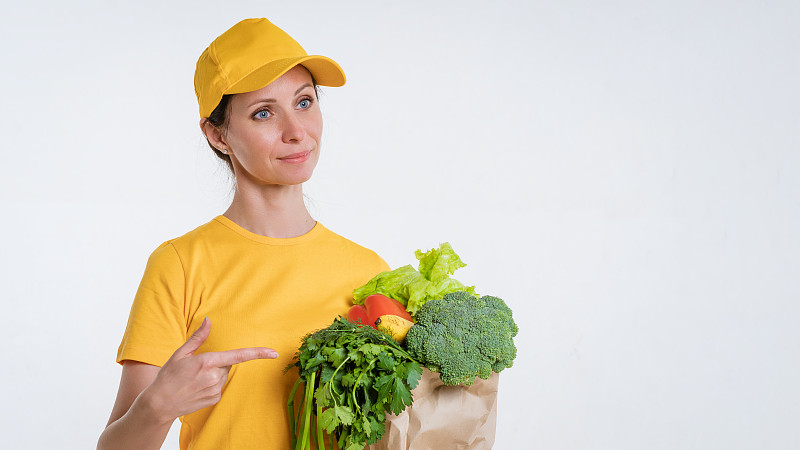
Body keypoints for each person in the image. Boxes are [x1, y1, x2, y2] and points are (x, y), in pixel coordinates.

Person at [97, 18, 389, 450]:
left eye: (304, 102)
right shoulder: (180, 264)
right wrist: (158, 406)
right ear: (218, 136)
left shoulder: (368, 271)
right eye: (264, 113)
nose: (295, 131)